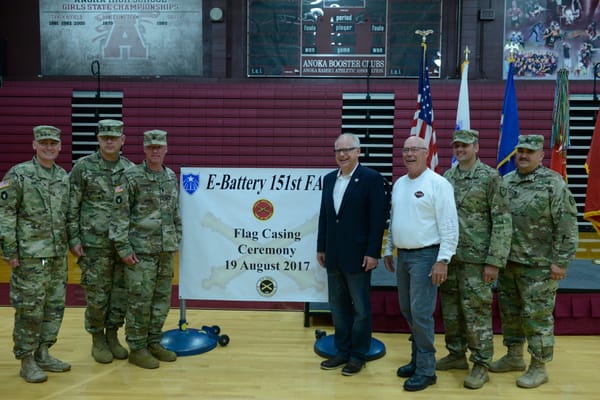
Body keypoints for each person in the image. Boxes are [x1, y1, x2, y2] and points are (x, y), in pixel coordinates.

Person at [489, 134, 578, 388]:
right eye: (521, 151)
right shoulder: (506, 181)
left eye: (530, 152)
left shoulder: (553, 183)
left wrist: (561, 261)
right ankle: (514, 356)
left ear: (540, 155)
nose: (524, 156)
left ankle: (539, 366)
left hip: (540, 267)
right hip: (509, 264)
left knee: (536, 317)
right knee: (511, 314)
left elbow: (568, 225)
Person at [437, 129, 512, 389]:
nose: (460, 150)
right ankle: (456, 354)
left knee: (477, 313)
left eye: (465, 146)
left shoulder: (490, 177)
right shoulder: (447, 177)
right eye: (456, 146)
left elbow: (502, 221)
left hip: (478, 261)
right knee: (451, 310)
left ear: (476, 147)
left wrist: (494, 261)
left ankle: (481, 363)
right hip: (451, 257)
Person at [383, 135, 458, 391]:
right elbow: (395, 219)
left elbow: (449, 224)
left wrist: (443, 259)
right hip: (403, 256)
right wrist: (388, 248)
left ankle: (427, 370)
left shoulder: (439, 184)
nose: (409, 154)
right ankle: (416, 360)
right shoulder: (399, 184)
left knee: (421, 313)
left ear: (427, 153)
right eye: (405, 150)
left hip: (427, 257)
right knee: (407, 309)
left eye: (415, 149)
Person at [0, 125, 71, 383]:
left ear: (60, 147)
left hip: (56, 255)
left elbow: (67, 215)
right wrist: (9, 249)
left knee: (53, 307)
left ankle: (43, 352)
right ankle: (26, 359)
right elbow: (5, 213)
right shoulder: (18, 174)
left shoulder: (63, 177)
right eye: (44, 143)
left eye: (53, 143)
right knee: (29, 309)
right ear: (34, 145)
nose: (49, 148)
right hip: (29, 256)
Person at [110, 129, 182, 369]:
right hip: (140, 252)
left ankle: (154, 341)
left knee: (161, 300)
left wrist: (176, 239)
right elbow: (119, 215)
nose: (155, 151)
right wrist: (123, 247)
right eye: (151, 147)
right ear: (144, 149)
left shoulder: (170, 176)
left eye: (159, 146)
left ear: (166, 149)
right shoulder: (131, 176)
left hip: (164, 251)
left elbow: (175, 213)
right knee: (140, 300)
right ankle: (137, 348)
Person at [316, 133, 387, 376]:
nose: (343, 154)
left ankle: (358, 355)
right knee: (337, 307)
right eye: (338, 150)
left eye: (348, 149)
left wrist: (372, 252)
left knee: (361, 310)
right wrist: (321, 247)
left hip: (359, 256)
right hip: (333, 255)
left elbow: (378, 220)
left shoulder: (371, 179)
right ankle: (342, 351)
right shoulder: (327, 180)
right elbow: (325, 216)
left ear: (359, 152)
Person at [67, 119, 135, 364]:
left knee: (119, 295)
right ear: (98, 139)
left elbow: (134, 210)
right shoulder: (83, 167)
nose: (109, 141)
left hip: (121, 246)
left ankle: (112, 335)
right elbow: (71, 205)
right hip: (93, 244)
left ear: (122, 140)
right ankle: (97, 338)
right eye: (105, 136)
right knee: (97, 296)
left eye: (114, 137)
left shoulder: (130, 170)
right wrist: (73, 238)